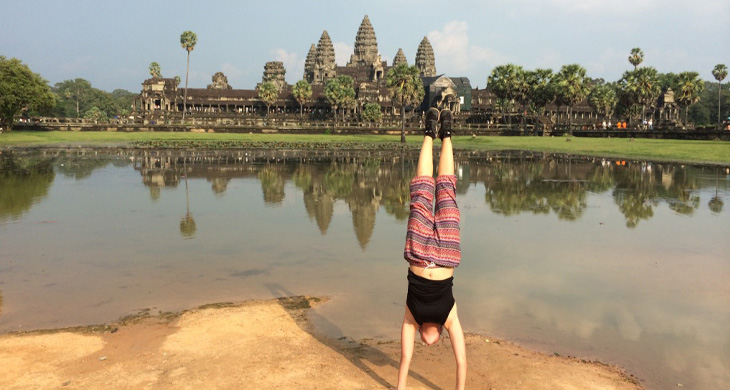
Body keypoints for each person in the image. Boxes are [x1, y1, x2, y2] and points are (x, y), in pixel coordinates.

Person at [397, 105, 467, 390]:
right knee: (446, 190)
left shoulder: (411, 318)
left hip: (417, 251)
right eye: (434, 343)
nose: (428, 344)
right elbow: (461, 362)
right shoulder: (449, 316)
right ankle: (446, 132)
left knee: (423, 190)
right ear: (440, 334)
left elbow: (405, 358)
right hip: (447, 253)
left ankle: (430, 130)